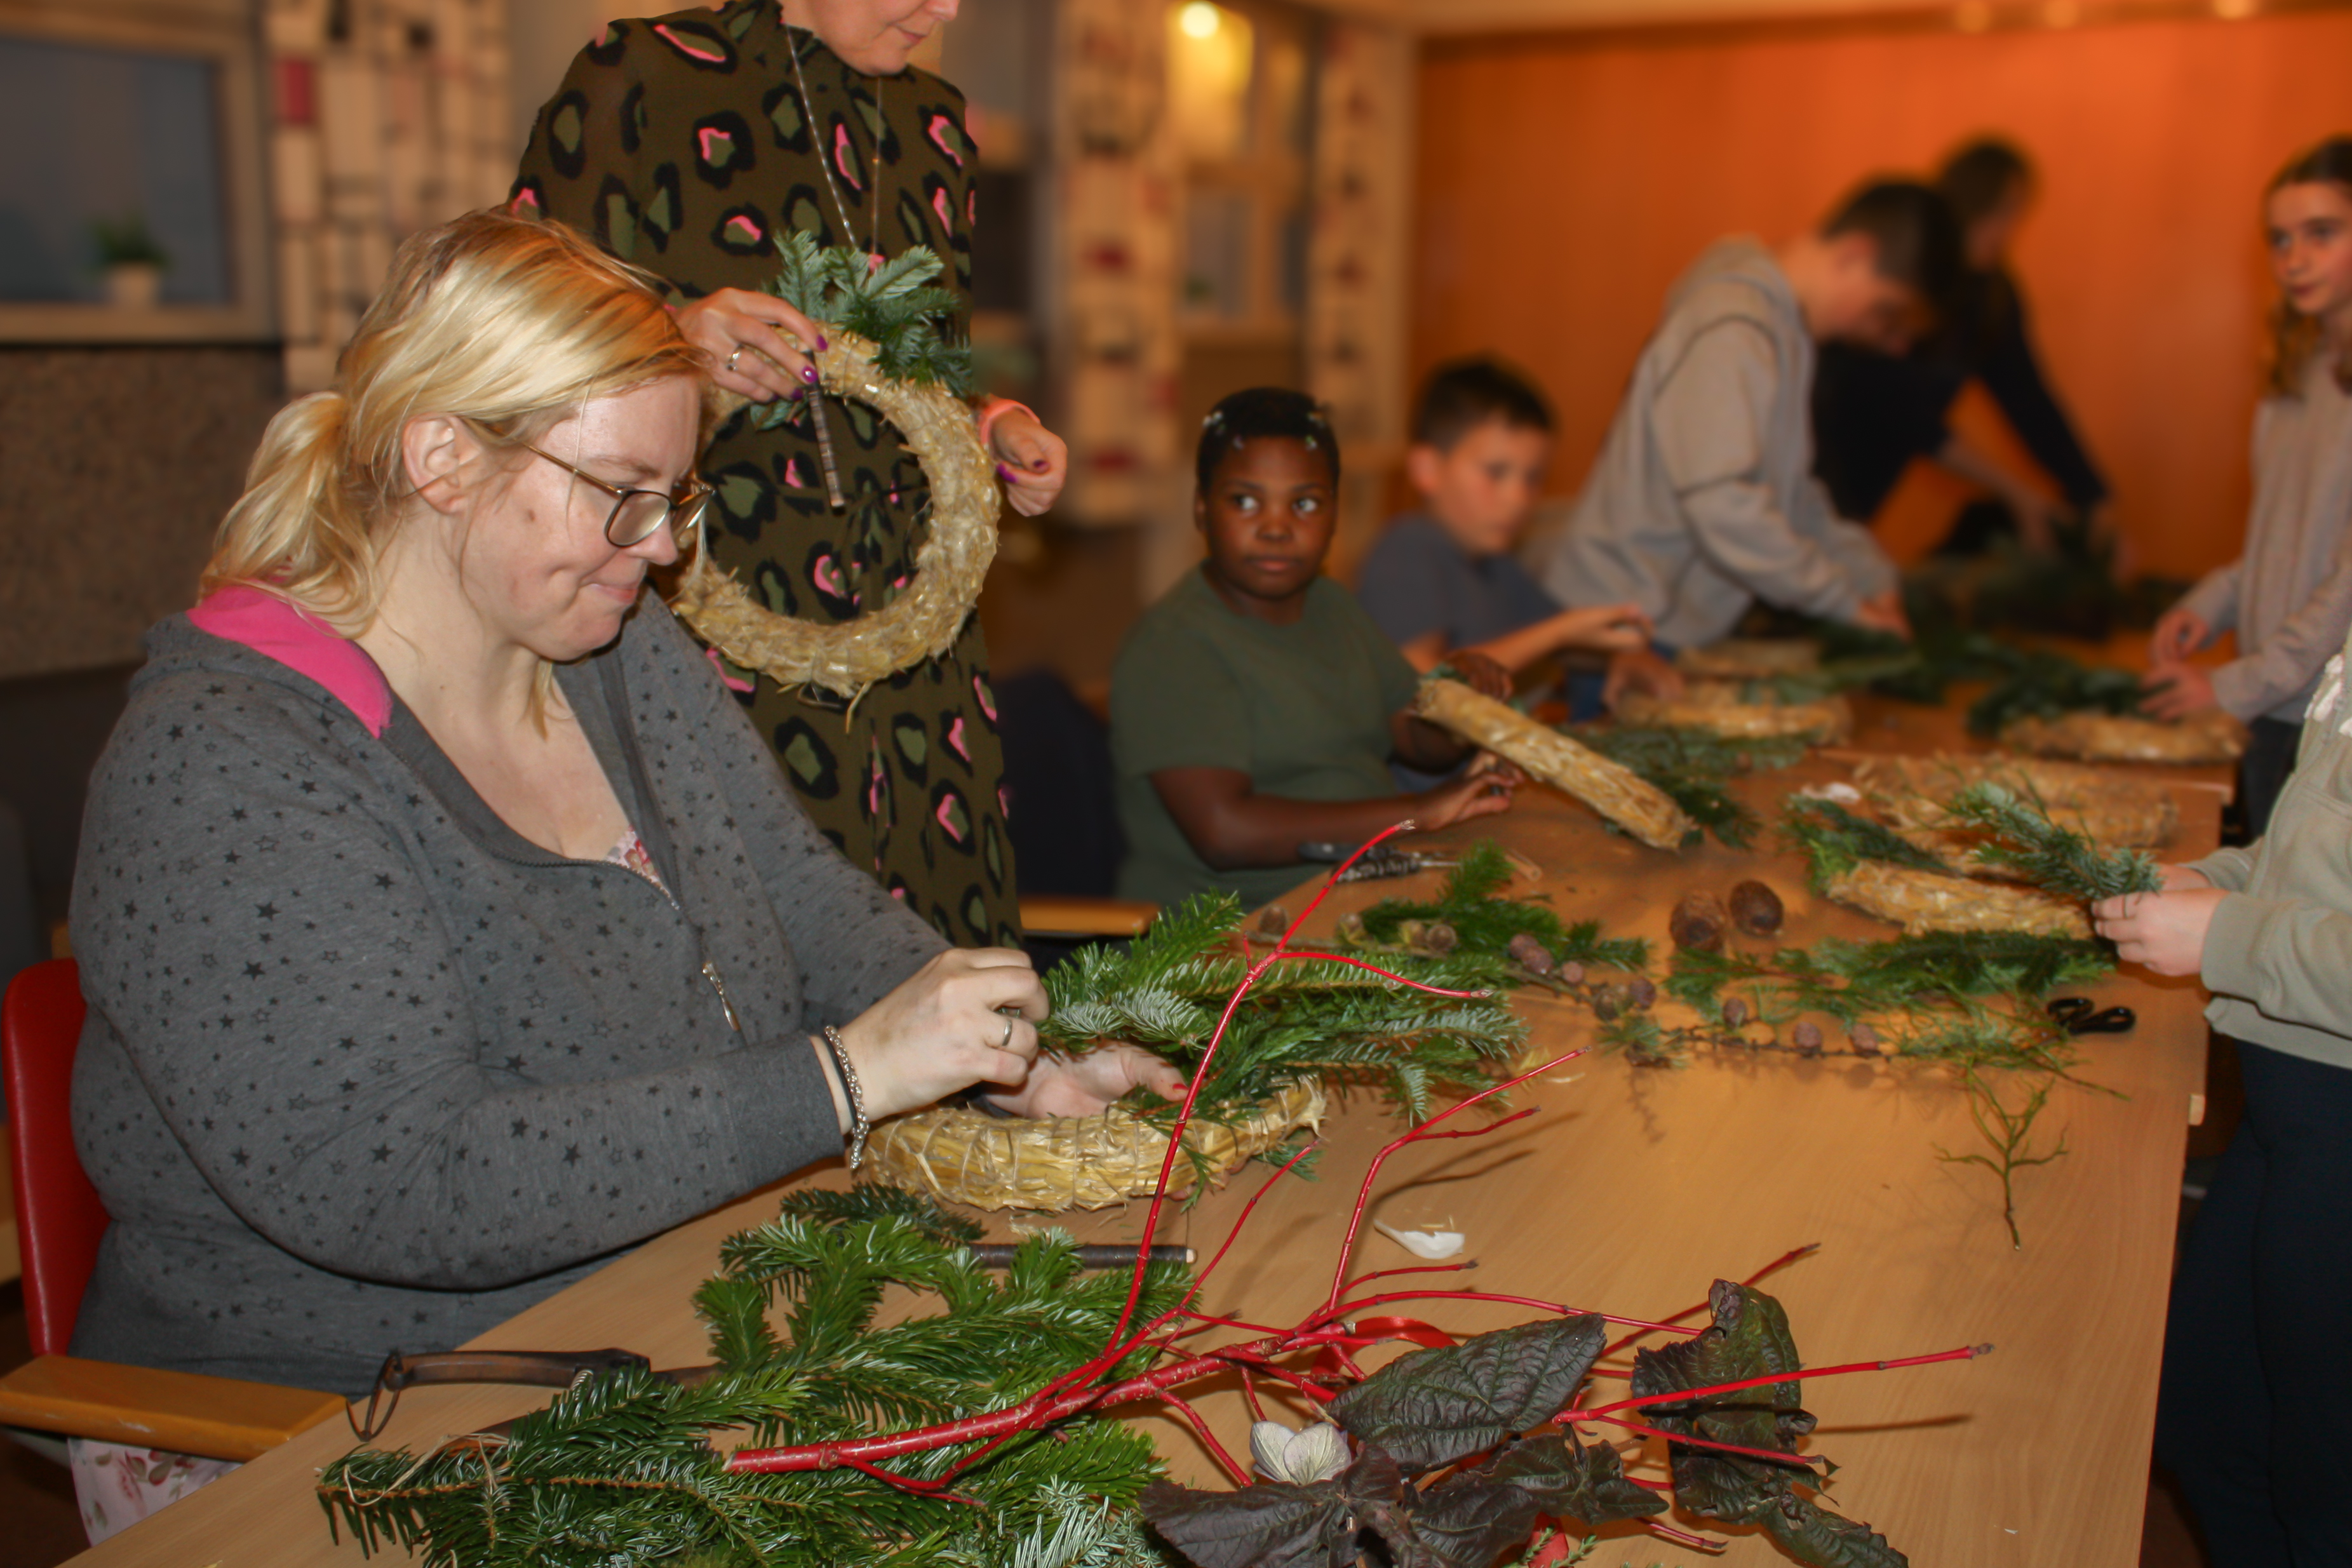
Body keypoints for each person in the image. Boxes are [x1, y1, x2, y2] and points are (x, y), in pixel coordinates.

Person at [65, 211, 1180, 1423]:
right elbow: (399, 1182)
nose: (654, 550)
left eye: (673, 496)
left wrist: (1011, 1056)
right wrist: (847, 1076)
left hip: (665, 1317)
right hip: (338, 1426)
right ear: (441, 457)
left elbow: (801, 900)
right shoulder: (228, 758)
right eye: (619, 495)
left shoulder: (610, 646)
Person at [513, 0, 1058, 950]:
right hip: (713, 630)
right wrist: (670, 335)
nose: (946, 10)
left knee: (952, 981)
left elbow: (920, 367)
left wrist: (990, 424)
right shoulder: (642, 75)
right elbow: (507, 325)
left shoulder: (935, 123)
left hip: (918, 649)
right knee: (763, 957)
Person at [2093, 619, 2352, 1563]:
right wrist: (2206, 882)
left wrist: (2233, 939)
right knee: (2211, 1425)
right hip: (2295, 1115)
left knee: (2328, 1489)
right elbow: (2318, 862)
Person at [1110, 389, 1519, 910]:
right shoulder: (1174, 646)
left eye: (1303, 503)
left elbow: (1416, 739)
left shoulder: (1330, 606)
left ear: (1334, 515)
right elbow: (1224, 832)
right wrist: (1416, 812)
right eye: (1244, 501)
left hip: (1359, 893)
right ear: (1200, 508)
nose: (1277, 527)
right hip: (1233, 940)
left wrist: (1463, 703)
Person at [1535, 180, 1959, 655]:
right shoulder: (1736, 323)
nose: (1893, 342)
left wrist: (1866, 573)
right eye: (1889, 313)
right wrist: (1840, 600)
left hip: (1654, 621)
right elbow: (1723, 503)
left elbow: (1788, 496)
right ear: (1854, 254)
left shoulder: (1779, 326)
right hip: (1621, 625)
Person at [2144, 137, 2352, 840]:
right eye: (2279, 239)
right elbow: (2278, 546)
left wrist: (2230, 686)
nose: (2294, 257)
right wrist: (2214, 602)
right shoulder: (2292, 380)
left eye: (2322, 234)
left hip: (2325, 725)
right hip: (2271, 708)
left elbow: (2345, 588)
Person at [1811, 138, 2111, 554]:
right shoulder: (1910, 273)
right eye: (2005, 211)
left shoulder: (1992, 298)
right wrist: (2016, 491)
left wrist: (2092, 495)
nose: (2009, 229)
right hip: (1816, 471)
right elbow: (1902, 412)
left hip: (1857, 501)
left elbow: (2030, 400)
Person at [1355, 357, 1656, 714]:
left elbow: (1568, 642)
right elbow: (1426, 684)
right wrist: (1560, 632)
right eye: (1496, 473)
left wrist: (1620, 652)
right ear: (1427, 469)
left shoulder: (1499, 567)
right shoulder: (1407, 547)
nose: (1519, 499)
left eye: (1533, 478)